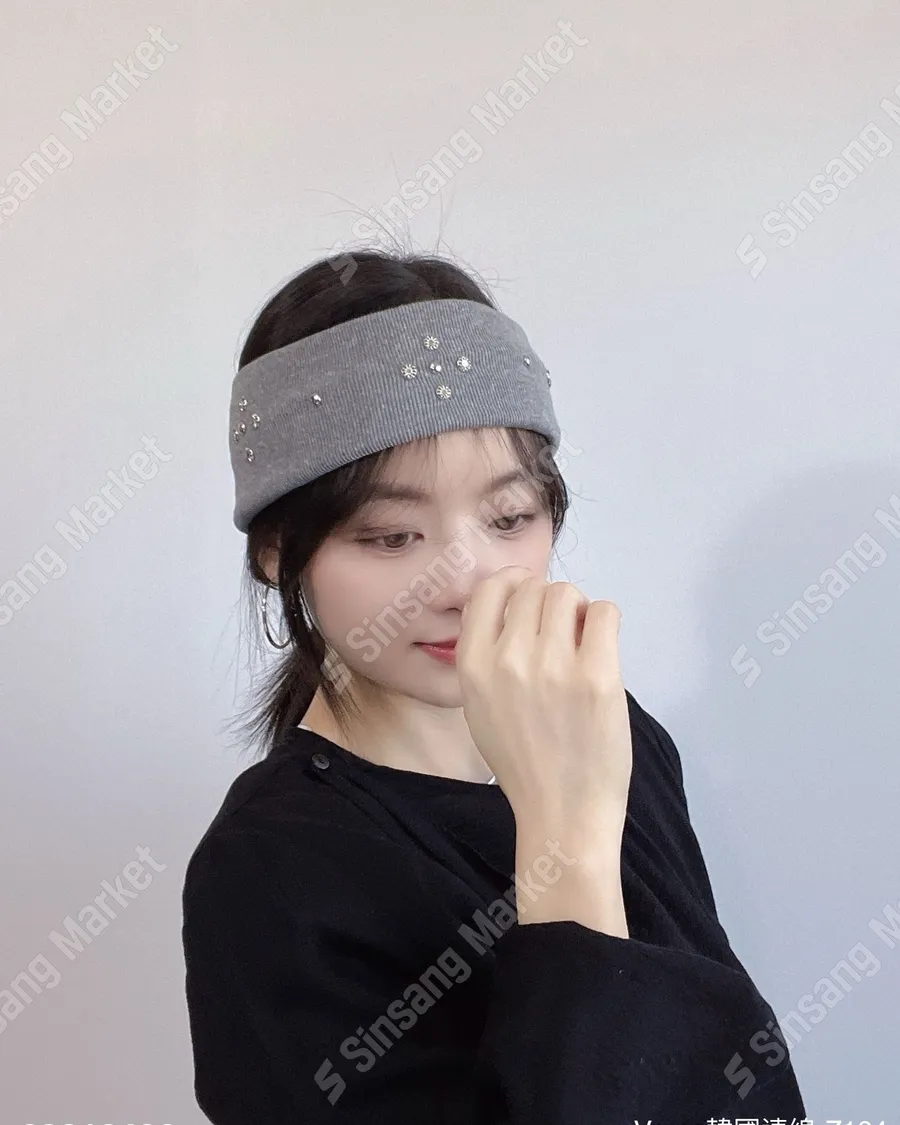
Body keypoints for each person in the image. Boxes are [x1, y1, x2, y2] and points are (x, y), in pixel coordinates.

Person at [181, 248, 806, 1122]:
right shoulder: (269, 874)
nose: (465, 582)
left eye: (509, 517)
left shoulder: (606, 724)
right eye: (391, 535)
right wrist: (565, 844)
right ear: (278, 552)